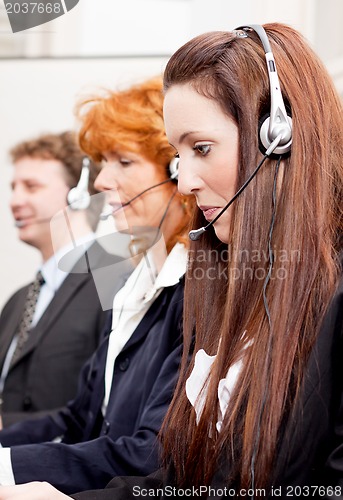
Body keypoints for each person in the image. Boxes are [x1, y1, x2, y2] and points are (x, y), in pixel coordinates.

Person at [0, 21, 342, 500]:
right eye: (182, 155)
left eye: (201, 148)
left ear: (278, 136)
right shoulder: (219, 285)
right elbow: (185, 478)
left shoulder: (266, 289)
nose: (185, 182)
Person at [0, 77, 192, 494]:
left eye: (122, 161)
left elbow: (152, 453)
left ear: (180, 171)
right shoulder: (128, 291)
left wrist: (9, 469)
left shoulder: (199, 294)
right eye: (103, 162)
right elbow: (79, 418)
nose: (102, 182)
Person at [0, 131, 110, 427]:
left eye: (31, 187)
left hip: (58, 469)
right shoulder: (18, 300)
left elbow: (98, 412)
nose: (14, 200)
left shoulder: (111, 283)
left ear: (79, 193)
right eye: (13, 187)